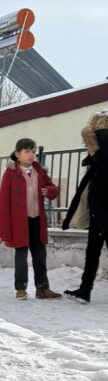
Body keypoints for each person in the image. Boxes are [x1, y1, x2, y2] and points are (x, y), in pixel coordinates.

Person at [0, 138, 61, 301]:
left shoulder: (39, 170)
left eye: (33, 151)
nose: (31, 155)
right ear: (18, 154)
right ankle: (20, 289)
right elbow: (3, 203)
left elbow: (53, 189)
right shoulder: (10, 173)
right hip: (19, 222)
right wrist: (4, 230)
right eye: (27, 151)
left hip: (37, 220)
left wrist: (50, 191)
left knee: (40, 255)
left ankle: (42, 289)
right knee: (21, 256)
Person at [62, 110, 108, 304]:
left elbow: (100, 181)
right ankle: (84, 290)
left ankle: (85, 290)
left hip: (101, 210)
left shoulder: (99, 141)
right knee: (92, 251)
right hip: (101, 210)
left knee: (93, 253)